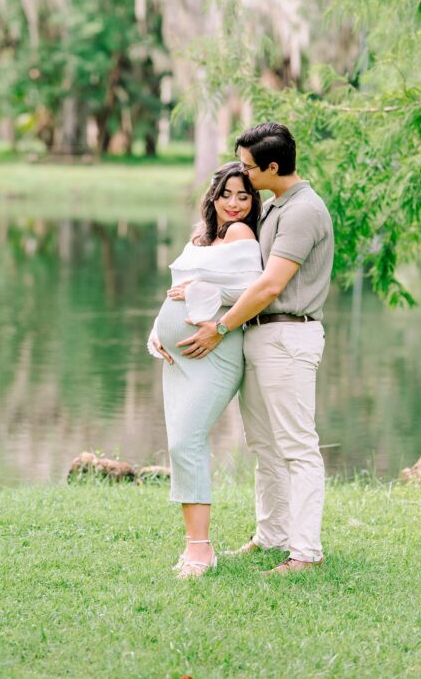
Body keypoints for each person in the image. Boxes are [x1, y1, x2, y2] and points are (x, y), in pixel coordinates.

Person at [175, 122, 334, 576]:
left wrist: (219, 329)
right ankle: (271, 535)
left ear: (272, 166)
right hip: (261, 336)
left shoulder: (304, 210)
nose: (242, 176)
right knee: (264, 445)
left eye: (248, 167)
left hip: (289, 335)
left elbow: (269, 286)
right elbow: (245, 279)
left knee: (297, 447)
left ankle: (305, 552)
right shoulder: (275, 209)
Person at [147, 162, 264, 579]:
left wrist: (199, 291)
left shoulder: (241, 234)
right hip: (178, 356)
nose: (234, 204)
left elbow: (253, 287)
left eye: (244, 196)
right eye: (227, 194)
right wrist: (157, 332)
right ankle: (194, 545)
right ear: (213, 196)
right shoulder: (201, 237)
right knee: (180, 443)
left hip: (215, 352)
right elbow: (174, 291)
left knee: (187, 440)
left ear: (253, 203)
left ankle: (201, 550)